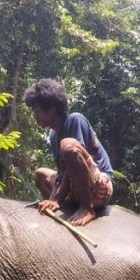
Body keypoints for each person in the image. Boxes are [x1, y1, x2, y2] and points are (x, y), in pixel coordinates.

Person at [23, 77, 113, 227]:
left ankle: (87, 208)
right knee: (40, 174)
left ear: (52, 109)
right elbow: (62, 172)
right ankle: (64, 206)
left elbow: (72, 165)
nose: (35, 117)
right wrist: (52, 200)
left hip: (98, 185)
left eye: (38, 111)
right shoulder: (53, 135)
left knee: (68, 146)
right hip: (76, 185)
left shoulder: (75, 120)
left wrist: (56, 198)